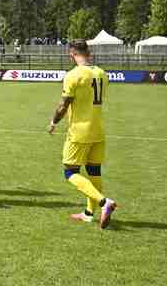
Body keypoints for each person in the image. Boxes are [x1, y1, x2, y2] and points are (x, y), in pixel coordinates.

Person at [47, 40, 118, 228]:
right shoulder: (102, 73)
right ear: (89, 52)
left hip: (80, 131)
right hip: (98, 129)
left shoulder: (73, 75)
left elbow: (64, 104)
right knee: (94, 170)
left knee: (70, 171)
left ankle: (104, 202)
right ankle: (88, 213)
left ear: (72, 54)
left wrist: (54, 121)